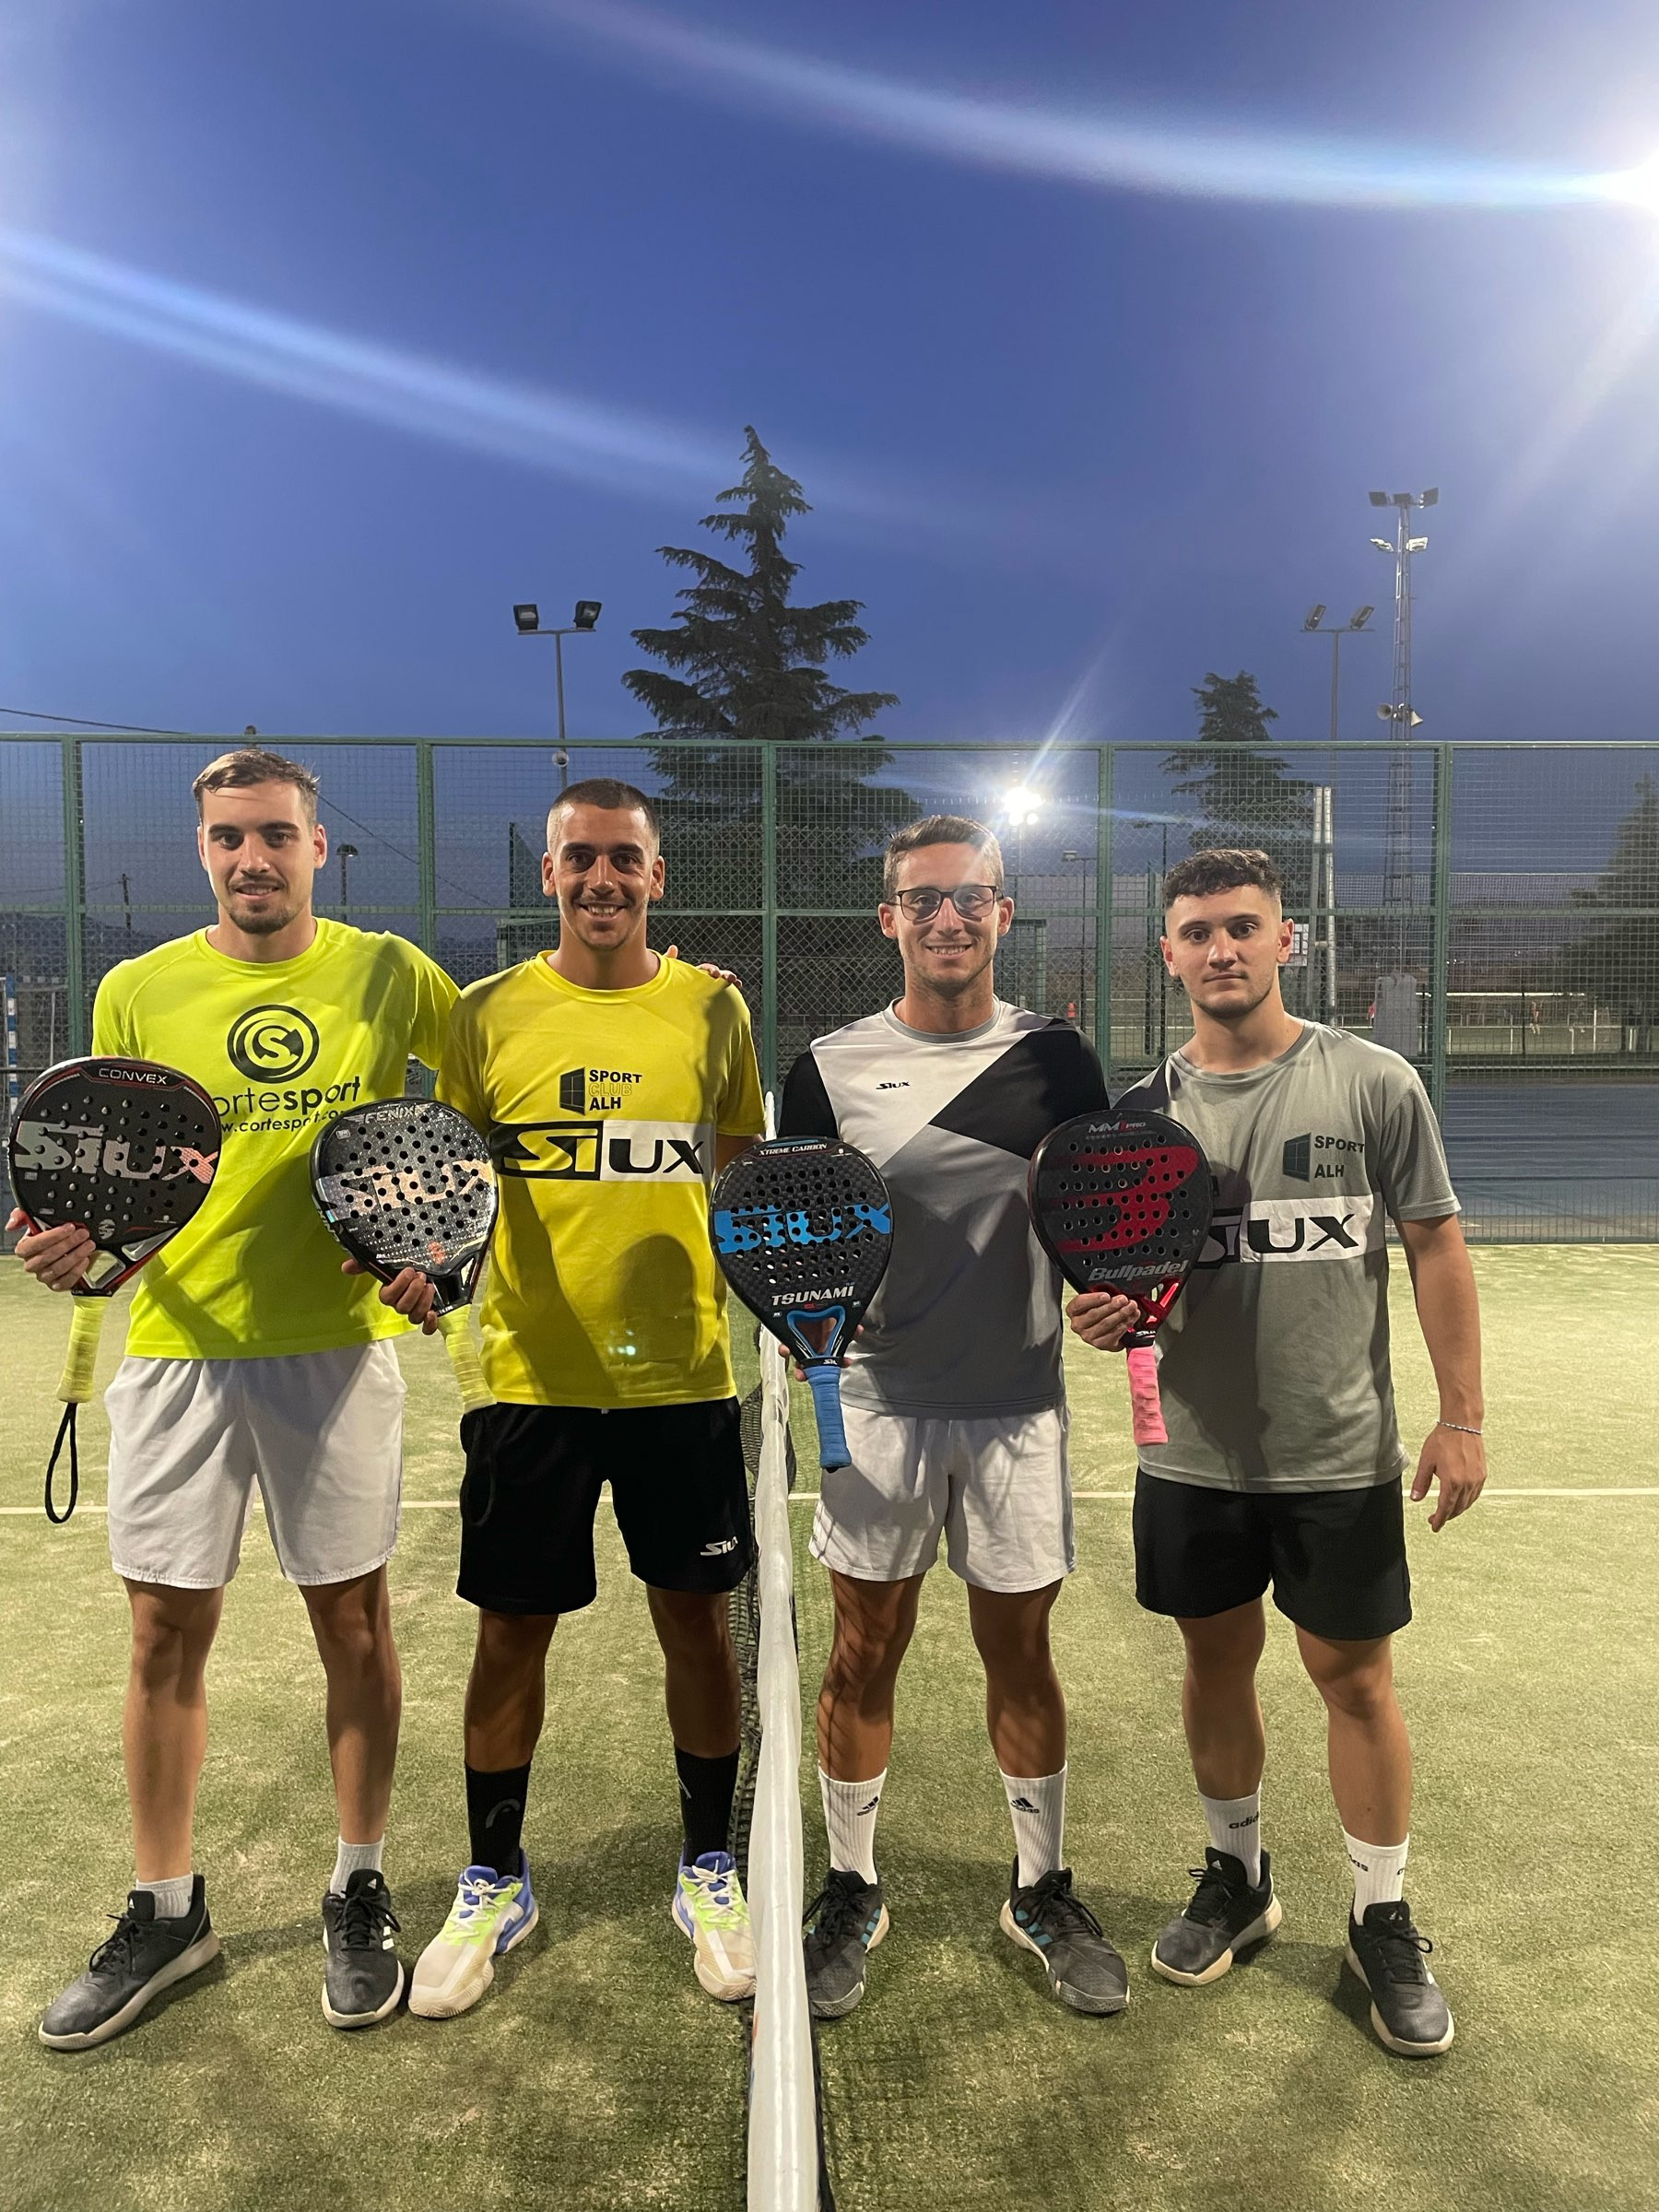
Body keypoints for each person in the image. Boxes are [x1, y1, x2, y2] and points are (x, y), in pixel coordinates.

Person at [10, 747, 455, 2047]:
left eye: (273, 835)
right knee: (162, 1634)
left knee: (353, 1625)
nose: (251, 859)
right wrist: (71, 1242)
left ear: (320, 848)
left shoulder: (391, 972)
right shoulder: (138, 987)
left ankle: (359, 1884)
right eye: (227, 838)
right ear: (203, 849)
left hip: (335, 1349)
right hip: (176, 1349)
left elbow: (493, 1077)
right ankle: (167, 1909)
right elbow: (111, 1163)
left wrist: (440, 1247)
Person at [1068, 847, 1485, 2058]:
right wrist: (1104, 1314)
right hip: (1190, 1458)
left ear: (1285, 940)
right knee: (1215, 1666)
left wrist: (1461, 1417)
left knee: (1354, 1680)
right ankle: (1238, 1878)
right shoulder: (1137, 1121)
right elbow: (1117, 1286)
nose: (1222, 950)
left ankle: (1380, 1915)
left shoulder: (1373, 1082)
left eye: (1243, 927)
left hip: (1338, 1453)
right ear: (1168, 953)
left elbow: (1437, 1246)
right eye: (1198, 931)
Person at [408, 778, 765, 2018]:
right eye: (580, 859)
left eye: (623, 859)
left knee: (697, 1627)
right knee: (511, 1633)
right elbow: (448, 1183)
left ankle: (708, 1866)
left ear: (656, 876)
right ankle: (495, 1877)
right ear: (550, 874)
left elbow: (737, 1174)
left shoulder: (715, 1010)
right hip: (529, 1383)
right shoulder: (484, 1013)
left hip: (681, 1378)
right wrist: (425, 1264)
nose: (601, 880)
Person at [779, 814, 1128, 2020]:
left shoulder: (1058, 1060)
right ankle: (850, 1885)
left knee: (1020, 1650)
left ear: (1002, 913)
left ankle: (1040, 1887)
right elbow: (794, 1231)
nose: (947, 918)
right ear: (889, 918)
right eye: (922, 899)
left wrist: (1104, 1295)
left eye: (969, 897)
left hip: (1018, 1408)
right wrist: (816, 1328)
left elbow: (1093, 1216)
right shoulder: (825, 1070)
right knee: (863, 1649)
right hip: (877, 1409)